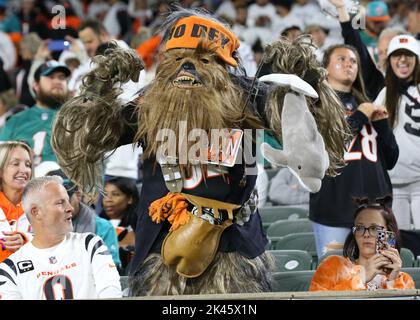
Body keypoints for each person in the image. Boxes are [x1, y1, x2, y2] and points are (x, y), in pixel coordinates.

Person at [52, 7, 349, 296]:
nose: (188, 68)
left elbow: (312, 135)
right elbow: (86, 140)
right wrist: (99, 89)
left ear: (224, 66)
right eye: (179, 57)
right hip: (161, 250)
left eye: (203, 59)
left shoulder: (248, 95)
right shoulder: (151, 102)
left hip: (233, 248)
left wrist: (307, 87)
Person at [309, 44, 399, 258]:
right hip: (333, 209)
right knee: (336, 282)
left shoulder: (367, 103)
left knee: (382, 278)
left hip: (377, 210)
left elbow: (392, 158)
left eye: (353, 61)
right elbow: (330, 144)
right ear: (325, 68)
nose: (348, 64)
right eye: (341, 59)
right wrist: (359, 116)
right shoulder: (315, 103)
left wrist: (382, 124)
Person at [0, 176, 122, 299]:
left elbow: (112, 294)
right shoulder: (10, 269)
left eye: (68, 201)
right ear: (36, 212)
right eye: (60, 203)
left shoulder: (91, 245)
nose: (70, 208)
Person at [310, 197, 415, 291]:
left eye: (374, 228)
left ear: (389, 233)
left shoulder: (404, 281)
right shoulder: (333, 267)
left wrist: (391, 282)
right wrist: (362, 277)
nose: (366, 234)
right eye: (360, 228)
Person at [374, 35, 420, 230]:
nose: (402, 60)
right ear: (389, 60)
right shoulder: (384, 94)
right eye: (397, 55)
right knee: (398, 246)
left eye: (408, 54)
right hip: (392, 185)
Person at [46, 169, 122, 269]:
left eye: (66, 199)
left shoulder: (103, 228)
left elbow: (111, 267)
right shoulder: (38, 226)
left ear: (78, 195)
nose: (63, 207)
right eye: (56, 201)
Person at [0, 61, 71, 167]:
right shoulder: (15, 121)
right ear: (36, 85)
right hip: (24, 180)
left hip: (66, 181)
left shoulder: (78, 118)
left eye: (61, 78)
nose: (57, 81)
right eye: (51, 77)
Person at [0, 141, 33, 263]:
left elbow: (57, 240)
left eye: (28, 164)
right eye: (15, 163)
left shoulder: (40, 204)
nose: (24, 170)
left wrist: (26, 239)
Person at [100, 177, 139, 269]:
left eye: (115, 194)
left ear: (130, 199)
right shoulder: (96, 224)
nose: (108, 199)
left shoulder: (138, 227)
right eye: (105, 194)